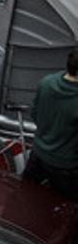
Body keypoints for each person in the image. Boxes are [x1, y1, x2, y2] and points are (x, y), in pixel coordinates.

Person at [22, 48, 78, 200]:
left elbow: (34, 114)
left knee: (23, 198)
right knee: (65, 209)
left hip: (38, 154)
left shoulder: (47, 82)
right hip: (66, 166)